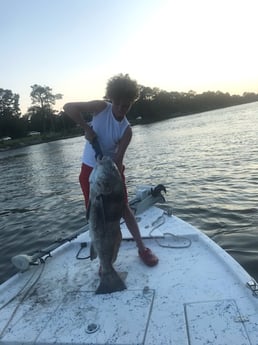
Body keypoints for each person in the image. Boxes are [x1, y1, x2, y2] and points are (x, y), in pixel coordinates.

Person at [63, 74, 158, 267]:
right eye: (119, 104)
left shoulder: (126, 130)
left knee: (124, 209)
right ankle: (104, 261)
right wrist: (86, 128)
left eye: (127, 105)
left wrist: (108, 169)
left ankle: (142, 248)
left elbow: (118, 159)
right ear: (111, 99)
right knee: (95, 214)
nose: (122, 110)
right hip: (89, 170)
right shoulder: (100, 108)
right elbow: (68, 108)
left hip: (112, 171)